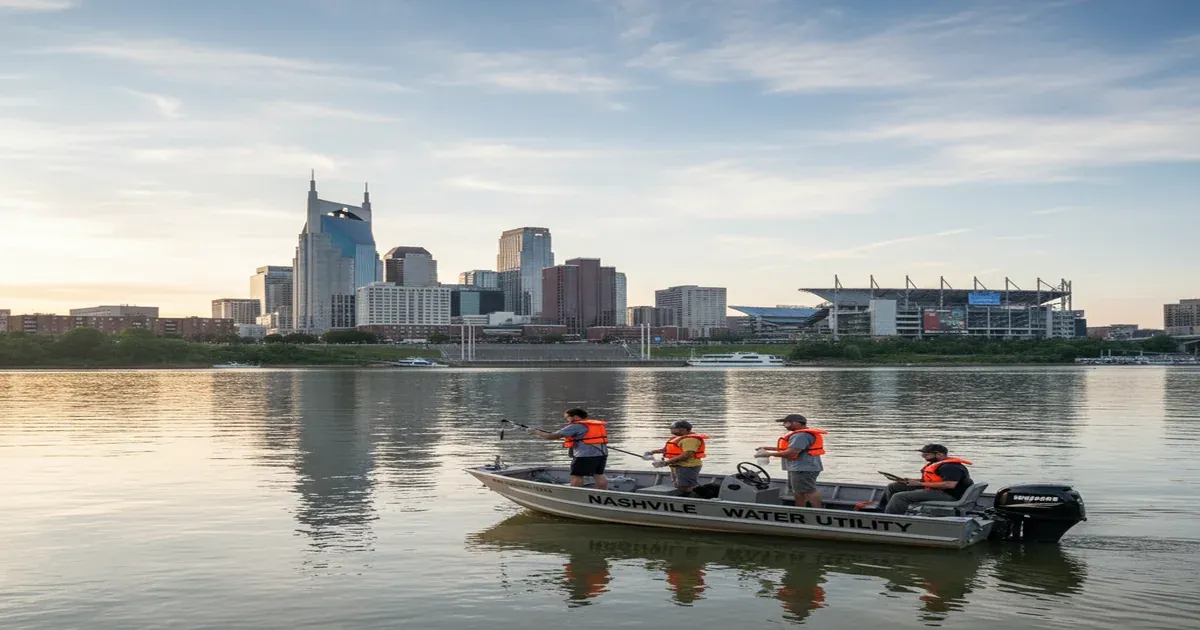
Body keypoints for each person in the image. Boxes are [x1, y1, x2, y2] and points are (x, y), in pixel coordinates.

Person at [879, 444, 973, 515]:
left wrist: (920, 484)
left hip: (949, 495)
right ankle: (883, 510)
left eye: (926, 455)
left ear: (939, 454)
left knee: (899, 497)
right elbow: (936, 480)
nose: (923, 457)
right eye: (923, 454)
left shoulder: (950, 467)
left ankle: (893, 517)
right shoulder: (939, 464)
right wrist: (910, 480)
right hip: (937, 490)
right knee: (893, 486)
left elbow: (950, 485)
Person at [527, 408, 609, 490]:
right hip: (602, 455)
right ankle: (603, 494)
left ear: (576, 417)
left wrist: (535, 432)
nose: (567, 420)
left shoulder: (576, 426)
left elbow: (552, 436)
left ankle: (575, 494)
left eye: (568, 417)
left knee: (577, 475)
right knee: (598, 474)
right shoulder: (597, 425)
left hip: (584, 456)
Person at [757, 414, 825, 508]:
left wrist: (768, 454)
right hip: (804, 467)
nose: (785, 426)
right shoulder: (802, 435)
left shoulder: (801, 436)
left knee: (808, 491)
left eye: (787, 423)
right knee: (799, 491)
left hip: (803, 468)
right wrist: (768, 448)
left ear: (796, 423)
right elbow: (792, 448)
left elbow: (792, 452)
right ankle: (802, 509)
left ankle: (813, 512)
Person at [647, 420, 707, 496]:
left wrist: (666, 462)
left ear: (684, 429)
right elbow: (665, 450)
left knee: (687, 487)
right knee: (678, 485)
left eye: (673, 428)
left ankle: (694, 499)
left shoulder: (690, 440)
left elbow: (687, 455)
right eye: (671, 428)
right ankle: (684, 497)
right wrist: (651, 452)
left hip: (687, 466)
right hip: (677, 466)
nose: (671, 430)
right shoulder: (677, 438)